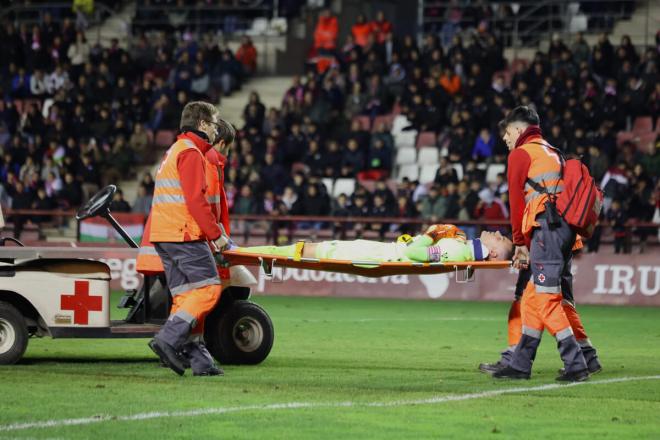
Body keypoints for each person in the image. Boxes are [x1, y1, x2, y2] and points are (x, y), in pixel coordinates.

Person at [491, 106, 593, 382]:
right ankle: (521, 364)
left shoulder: (521, 154)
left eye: (507, 131)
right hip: (564, 231)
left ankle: (576, 363)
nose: (505, 138)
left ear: (519, 130)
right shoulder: (552, 151)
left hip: (545, 229)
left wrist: (519, 243)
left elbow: (515, 200)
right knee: (534, 297)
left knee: (546, 299)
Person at [146, 101, 227, 377]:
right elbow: (195, 200)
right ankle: (168, 339)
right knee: (209, 290)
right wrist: (217, 236)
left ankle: (200, 361)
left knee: (185, 298)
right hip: (184, 233)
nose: (217, 131)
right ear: (202, 125)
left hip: (165, 233)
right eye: (215, 124)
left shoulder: (175, 150)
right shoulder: (191, 153)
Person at [233, 224, 513, 263]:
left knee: (305, 250)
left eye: (500, 238)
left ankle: (240, 252)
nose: (495, 232)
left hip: (377, 255)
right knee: (305, 249)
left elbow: (415, 253)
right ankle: (241, 251)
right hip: (380, 253)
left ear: (493, 252)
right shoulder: (461, 248)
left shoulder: (458, 249)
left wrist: (432, 232)